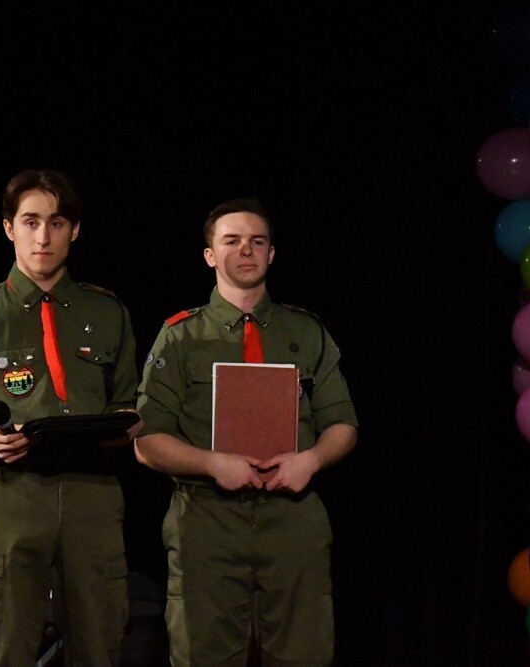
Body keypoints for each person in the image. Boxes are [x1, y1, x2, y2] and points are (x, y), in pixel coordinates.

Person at [0, 168, 144, 665]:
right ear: (9, 228)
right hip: (11, 498)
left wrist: (123, 425)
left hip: (92, 497)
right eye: (30, 221)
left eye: (57, 222)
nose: (43, 236)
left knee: (100, 647)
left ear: (75, 230)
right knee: (2, 647)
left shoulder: (108, 312)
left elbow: (129, 408)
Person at [134, 196, 358, 665]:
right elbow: (147, 441)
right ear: (210, 256)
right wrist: (212, 463)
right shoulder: (180, 336)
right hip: (207, 522)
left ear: (272, 253)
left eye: (258, 241)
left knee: (304, 655)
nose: (247, 251)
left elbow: (342, 424)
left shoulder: (307, 331)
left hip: (292, 521)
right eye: (232, 241)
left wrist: (311, 459)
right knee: (205, 656)